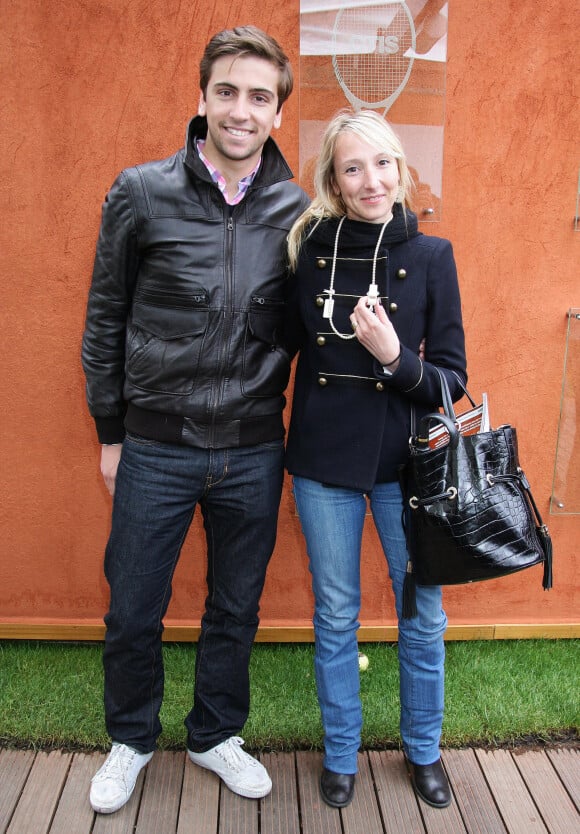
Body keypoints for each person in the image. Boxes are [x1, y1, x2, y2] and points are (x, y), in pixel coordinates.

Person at [81, 25, 309, 815]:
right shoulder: (141, 192)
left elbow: (311, 323)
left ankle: (215, 734)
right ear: (201, 96)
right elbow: (105, 316)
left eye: (259, 96)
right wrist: (111, 434)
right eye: (227, 91)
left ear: (278, 110)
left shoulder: (299, 209)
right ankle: (131, 739)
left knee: (235, 606)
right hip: (156, 445)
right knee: (133, 604)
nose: (241, 110)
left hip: (253, 448)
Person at [285, 109, 467, 810]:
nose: (371, 181)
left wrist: (395, 359)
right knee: (335, 613)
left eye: (383, 164)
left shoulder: (432, 256)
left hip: (407, 465)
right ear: (332, 177)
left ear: (401, 168)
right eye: (353, 167)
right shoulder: (308, 248)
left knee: (422, 612)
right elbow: (278, 339)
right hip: (324, 461)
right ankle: (340, 755)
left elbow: (451, 379)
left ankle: (424, 750)